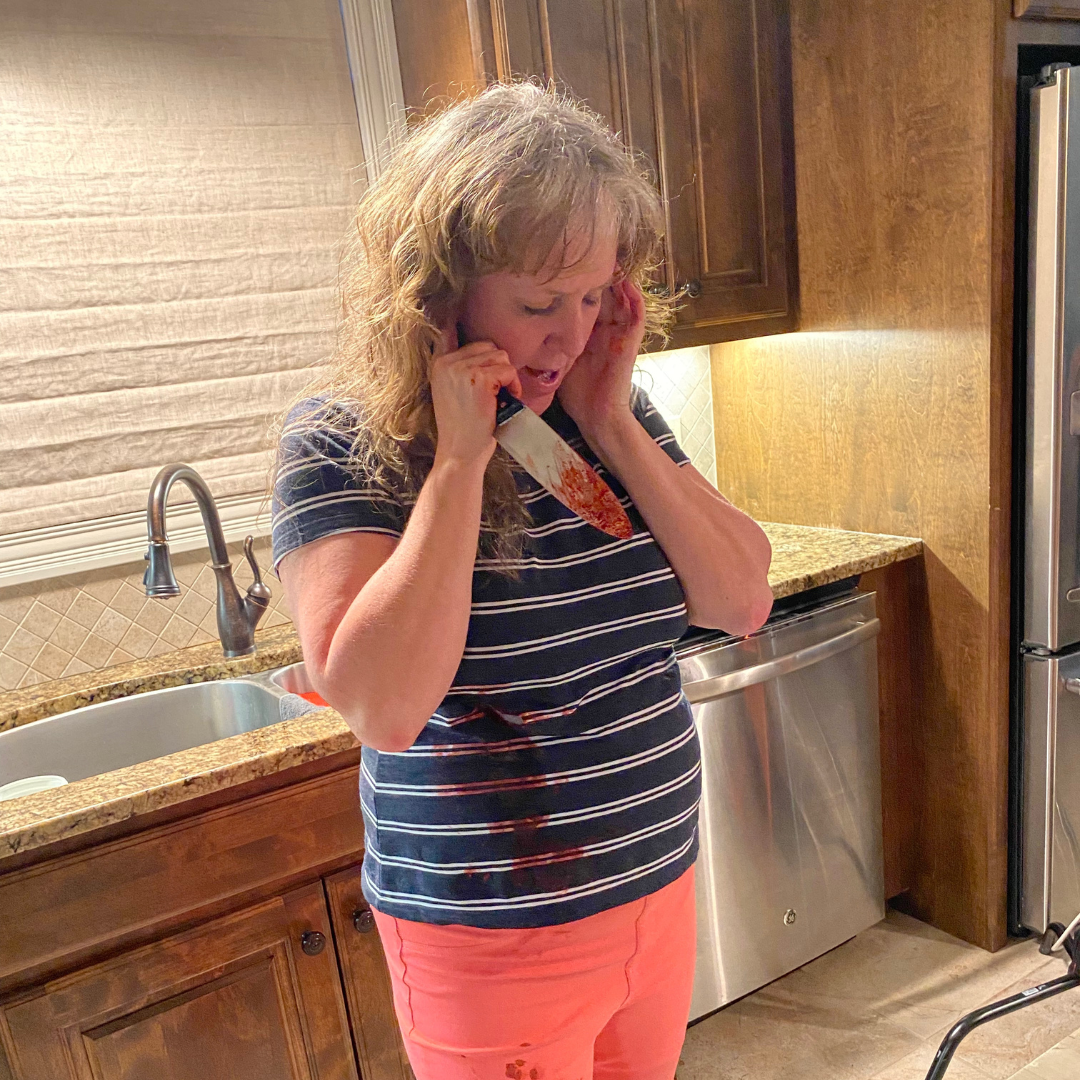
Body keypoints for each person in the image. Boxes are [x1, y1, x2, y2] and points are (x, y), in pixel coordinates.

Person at [272, 82, 773, 1080]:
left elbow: (740, 599)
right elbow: (382, 705)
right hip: (495, 938)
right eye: (540, 303)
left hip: (656, 890)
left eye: (593, 297)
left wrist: (618, 420)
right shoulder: (347, 446)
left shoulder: (579, 425)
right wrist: (460, 463)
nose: (573, 334)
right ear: (436, 291)